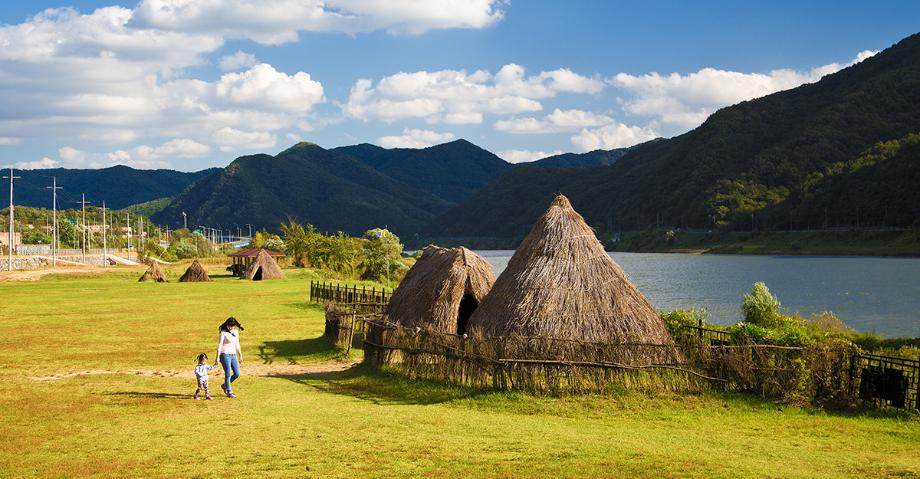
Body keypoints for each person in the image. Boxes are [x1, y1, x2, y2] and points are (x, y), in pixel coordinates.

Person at [215, 317, 244, 398]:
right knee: (227, 373)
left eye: (232, 326)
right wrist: (217, 357)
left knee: (237, 373)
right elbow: (220, 345)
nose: (231, 328)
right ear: (226, 325)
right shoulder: (223, 333)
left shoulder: (235, 332)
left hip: (233, 354)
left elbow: (237, 343)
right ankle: (229, 391)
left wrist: (240, 355)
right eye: (229, 326)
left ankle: (225, 385)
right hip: (225, 355)